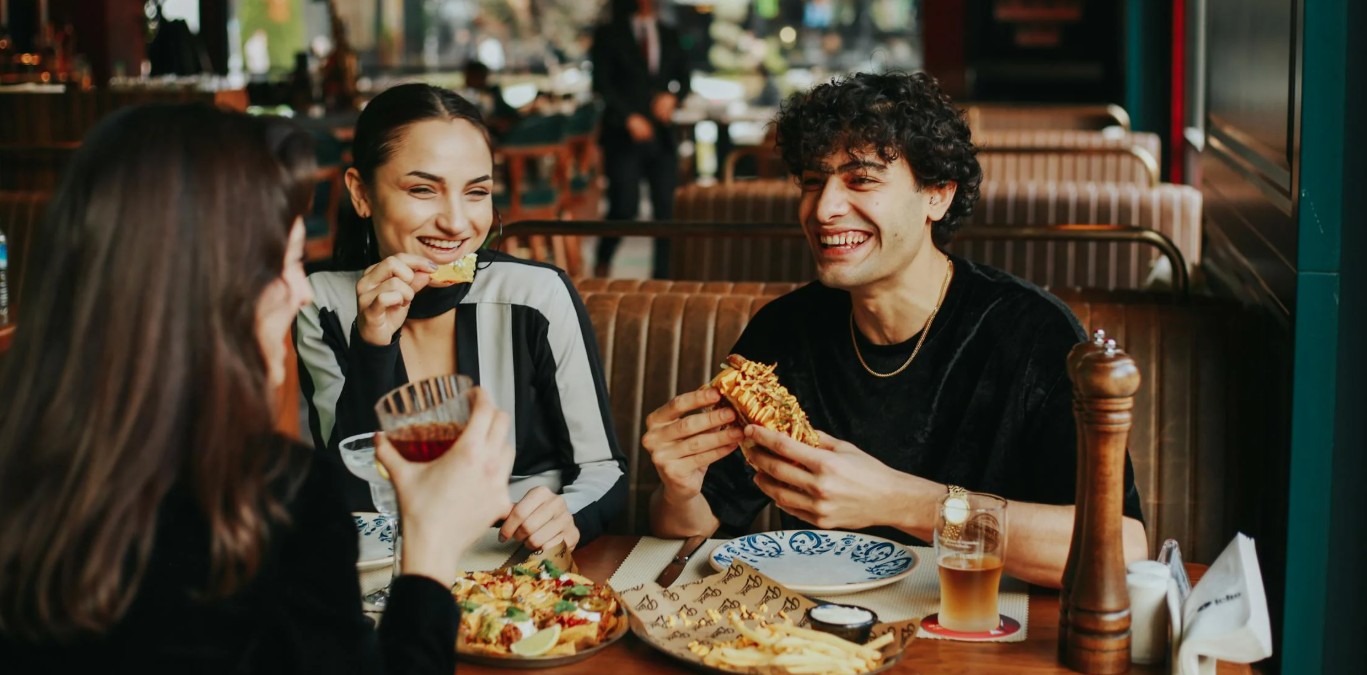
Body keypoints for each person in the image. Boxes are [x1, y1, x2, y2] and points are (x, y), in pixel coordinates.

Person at [0, 103, 515, 672]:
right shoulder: (273, 505)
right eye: (287, 263)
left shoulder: (27, 475)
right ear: (202, 283)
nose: (298, 293)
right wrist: (432, 546)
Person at [641, 72, 1148, 588]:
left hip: (982, 630)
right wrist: (679, 489)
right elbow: (696, 528)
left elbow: (1122, 546)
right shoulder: (785, 333)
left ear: (938, 195)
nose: (822, 208)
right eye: (813, 182)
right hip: (819, 639)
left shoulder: (1031, 333)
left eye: (861, 180)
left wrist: (904, 502)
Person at [296, 83, 626, 552]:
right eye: (423, 189)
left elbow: (603, 471)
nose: (456, 222)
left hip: (520, 565)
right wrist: (372, 344)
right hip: (394, 567)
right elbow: (353, 494)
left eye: (476, 192)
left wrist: (564, 516)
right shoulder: (323, 305)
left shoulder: (536, 295)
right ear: (361, 193)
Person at [590, 0, 691, 278]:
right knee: (623, 206)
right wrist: (628, 117)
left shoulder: (669, 32)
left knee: (666, 210)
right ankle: (603, 261)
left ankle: (662, 276)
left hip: (662, 135)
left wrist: (673, 97)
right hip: (622, 135)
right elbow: (601, 83)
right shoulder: (609, 33)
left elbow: (684, 77)